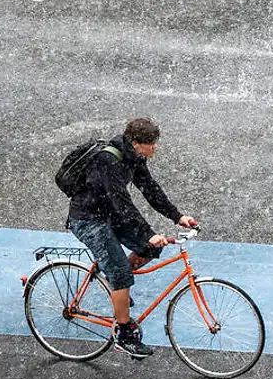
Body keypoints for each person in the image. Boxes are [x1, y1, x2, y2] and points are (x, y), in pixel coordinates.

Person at [65, 117, 198, 358]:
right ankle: (124, 335)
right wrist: (150, 233)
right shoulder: (109, 160)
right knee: (121, 275)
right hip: (88, 219)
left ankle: (116, 284)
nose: (154, 147)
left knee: (148, 249)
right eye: (150, 143)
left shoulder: (134, 157)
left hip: (109, 214)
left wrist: (177, 216)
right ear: (135, 143)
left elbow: (150, 188)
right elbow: (123, 204)